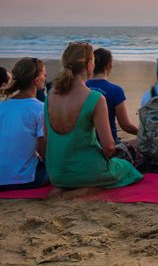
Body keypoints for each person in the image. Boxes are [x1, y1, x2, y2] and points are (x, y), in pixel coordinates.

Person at [45, 42, 142, 188]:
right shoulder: (95, 98)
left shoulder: (50, 95)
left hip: (56, 174)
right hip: (87, 172)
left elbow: (45, 140)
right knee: (128, 168)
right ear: (90, 64)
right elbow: (109, 148)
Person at [0, 58, 49, 190]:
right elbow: (43, 149)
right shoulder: (40, 108)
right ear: (37, 80)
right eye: (44, 74)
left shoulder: (1, 106)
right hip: (25, 180)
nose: (45, 78)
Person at [86, 48, 138, 144]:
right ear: (108, 65)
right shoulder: (115, 90)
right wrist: (142, 133)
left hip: (87, 143)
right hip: (109, 144)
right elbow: (125, 126)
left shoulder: (83, 87)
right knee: (139, 142)